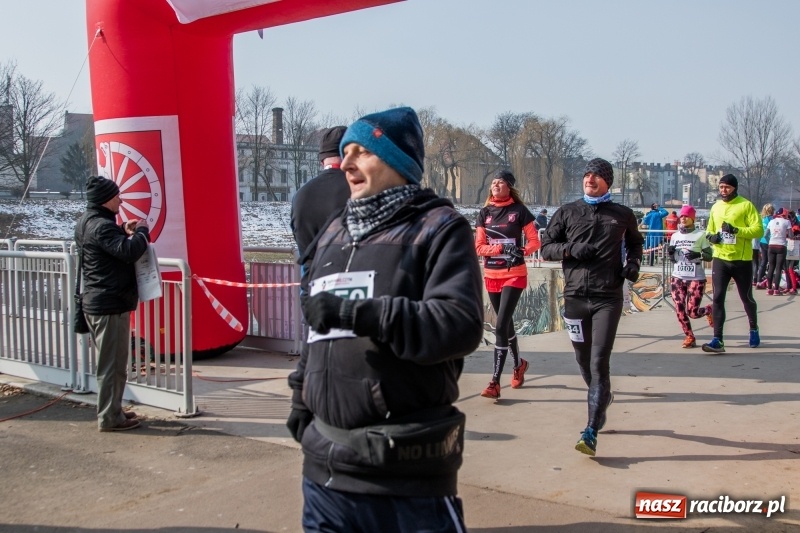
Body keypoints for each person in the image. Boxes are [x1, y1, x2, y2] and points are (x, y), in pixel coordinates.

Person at [285, 107, 484, 532]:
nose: (347, 163)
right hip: (325, 473)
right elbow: (317, 331)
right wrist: (301, 401)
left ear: (397, 161)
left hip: (405, 476)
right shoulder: (333, 233)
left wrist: (361, 314)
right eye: (344, 153)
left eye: (362, 151)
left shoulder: (439, 227)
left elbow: (459, 323)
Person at [540, 157, 643, 457]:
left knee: (599, 362)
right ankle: (601, 398)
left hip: (607, 298)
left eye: (597, 176)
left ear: (607, 182)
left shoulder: (622, 214)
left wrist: (633, 263)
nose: (590, 179)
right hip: (574, 297)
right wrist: (570, 249)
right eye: (587, 175)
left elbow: (636, 243)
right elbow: (545, 248)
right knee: (583, 361)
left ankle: (591, 430)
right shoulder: (568, 211)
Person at [74, 176, 150, 432]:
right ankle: (109, 417)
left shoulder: (87, 222)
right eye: (117, 195)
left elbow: (109, 247)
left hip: (98, 301)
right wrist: (141, 232)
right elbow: (128, 252)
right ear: (107, 199)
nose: (121, 199)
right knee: (112, 366)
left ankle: (113, 409)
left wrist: (123, 231)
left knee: (111, 364)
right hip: (110, 304)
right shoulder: (102, 227)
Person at [474, 170, 540, 399]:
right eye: (493, 182)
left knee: (500, 326)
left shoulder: (519, 211)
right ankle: (519, 364)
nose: (495, 185)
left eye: (500, 182)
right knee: (506, 325)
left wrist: (521, 251)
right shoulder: (484, 213)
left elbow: (534, 241)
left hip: (514, 274)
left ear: (509, 187)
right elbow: (479, 247)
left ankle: (494, 382)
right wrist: (501, 249)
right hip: (492, 274)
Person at [701, 174, 763, 353]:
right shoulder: (716, 207)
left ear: (734, 188)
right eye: (721, 187)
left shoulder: (746, 205)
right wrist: (711, 237)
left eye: (727, 187)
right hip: (721, 258)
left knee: (746, 297)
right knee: (718, 297)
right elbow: (709, 230)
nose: (723, 191)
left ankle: (753, 328)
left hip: (741, 260)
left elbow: (758, 230)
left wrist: (736, 230)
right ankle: (717, 340)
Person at [290, 126, 350, 262]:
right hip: (352, 278)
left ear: (322, 160)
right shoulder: (360, 189)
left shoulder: (300, 195)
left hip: (311, 278)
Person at [666, 205, 713, 348]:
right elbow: (673, 259)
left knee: (692, 312)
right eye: (682, 216)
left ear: (693, 218)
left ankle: (709, 310)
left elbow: (710, 256)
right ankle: (689, 336)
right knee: (679, 309)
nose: (684, 218)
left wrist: (698, 255)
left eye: (687, 216)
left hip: (695, 278)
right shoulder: (675, 236)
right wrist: (670, 253)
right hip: (677, 277)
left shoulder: (700, 235)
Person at [764, 207, 792, 295]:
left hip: (771, 245)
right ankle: (776, 290)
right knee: (779, 268)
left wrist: (770, 242)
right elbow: (791, 235)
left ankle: (769, 289)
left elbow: (765, 235)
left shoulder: (771, 221)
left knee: (771, 267)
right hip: (781, 246)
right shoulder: (787, 222)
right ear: (784, 214)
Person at [754, 203, 774, 288]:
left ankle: (759, 280)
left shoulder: (762, 219)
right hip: (768, 241)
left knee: (763, 261)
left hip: (762, 241)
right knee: (771, 262)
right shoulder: (771, 219)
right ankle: (770, 280)